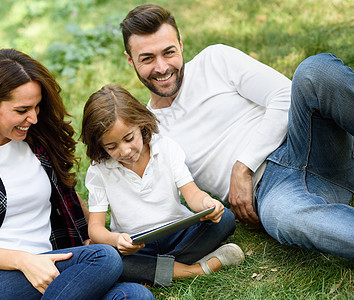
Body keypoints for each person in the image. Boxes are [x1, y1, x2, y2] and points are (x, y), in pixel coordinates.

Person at [119, 4, 354, 259]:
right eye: (147, 58)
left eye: (169, 52)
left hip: (310, 140)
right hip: (273, 191)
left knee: (314, 72)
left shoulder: (215, 60)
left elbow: (284, 95)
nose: (162, 67)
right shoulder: (149, 131)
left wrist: (243, 165)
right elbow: (157, 200)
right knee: (282, 217)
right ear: (130, 60)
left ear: (181, 44)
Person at [0, 49, 154, 300]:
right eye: (22, 109)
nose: (33, 118)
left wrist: (96, 236)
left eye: (37, 107)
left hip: (53, 270)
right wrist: (25, 261)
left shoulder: (38, 138)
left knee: (134, 295)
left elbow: (66, 195)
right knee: (105, 259)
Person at [80, 84, 244, 287]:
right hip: (136, 246)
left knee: (225, 219)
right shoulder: (99, 170)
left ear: (141, 124)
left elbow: (192, 195)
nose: (124, 151)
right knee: (110, 258)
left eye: (129, 138)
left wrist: (207, 204)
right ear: (99, 145)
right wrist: (115, 241)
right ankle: (195, 269)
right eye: (111, 146)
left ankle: (157, 269)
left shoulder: (166, 148)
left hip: (179, 234)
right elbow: (95, 228)